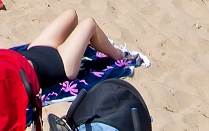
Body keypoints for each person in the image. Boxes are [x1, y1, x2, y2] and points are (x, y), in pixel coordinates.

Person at [9, 11, 143, 94]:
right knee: (89, 24)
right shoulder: (12, 82)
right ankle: (117, 54)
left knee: (71, 14)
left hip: (36, 50)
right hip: (61, 63)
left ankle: (76, 43)